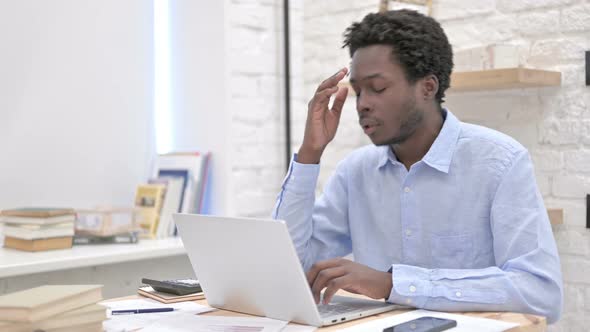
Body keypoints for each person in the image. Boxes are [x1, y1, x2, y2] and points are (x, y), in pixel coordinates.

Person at [272, 9, 563, 324]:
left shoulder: (500, 161)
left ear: (428, 88)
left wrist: (392, 284)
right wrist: (309, 153)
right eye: (359, 90)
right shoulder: (355, 170)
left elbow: (540, 292)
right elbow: (290, 268)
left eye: (378, 88)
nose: (363, 103)